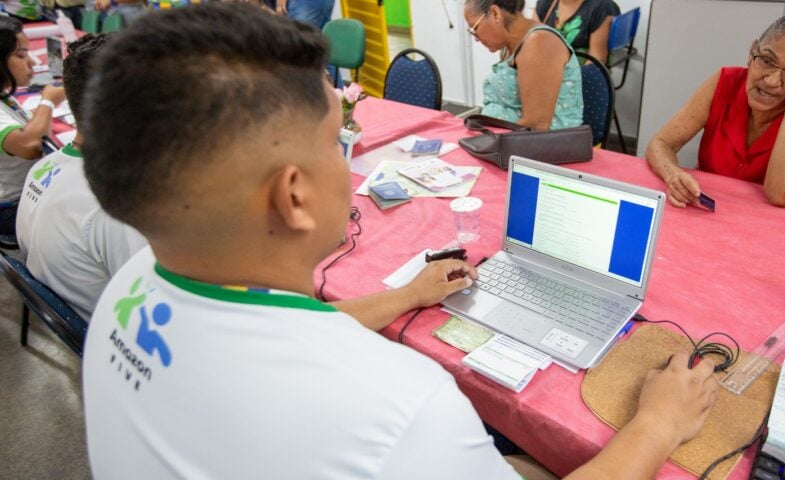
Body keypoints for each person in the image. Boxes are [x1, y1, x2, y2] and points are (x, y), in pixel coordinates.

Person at [81, 4, 717, 478]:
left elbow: (298, 327)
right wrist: (658, 423)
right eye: (338, 140)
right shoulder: (401, 408)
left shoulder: (131, 288)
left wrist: (408, 294)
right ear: (293, 196)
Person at [646, 12, 785, 208]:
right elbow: (661, 143)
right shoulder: (725, 81)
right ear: (752, 52)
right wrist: (672, 173)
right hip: (711, 212)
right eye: (767, 61)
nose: (771, 81)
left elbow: (781, 194)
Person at [15, 33, 147, 320]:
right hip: (112, 329)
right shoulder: (117, 208)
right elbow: (149, 303)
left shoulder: (45, 165)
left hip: (69, 308)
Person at [465, 0, 583, 131]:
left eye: (474, 28)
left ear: (495, 13)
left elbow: (536, 125)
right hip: (508, 139)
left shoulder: (539, 43)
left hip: (540, 146)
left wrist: (490, 139)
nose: (475, 37)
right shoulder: (509, 46)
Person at [0, 16, 65, 236]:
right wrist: (47, 101)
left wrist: (42, 109)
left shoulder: (5, 96)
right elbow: (30, 145)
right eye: (20, 55)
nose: (31, 63)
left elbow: (37, 133)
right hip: (12, 208)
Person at [534, 0, 619, 63]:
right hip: (545, 71)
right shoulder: (545, 3)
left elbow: (597, 59)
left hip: (580, 78)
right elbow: (531, 43)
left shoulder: (602, 7)